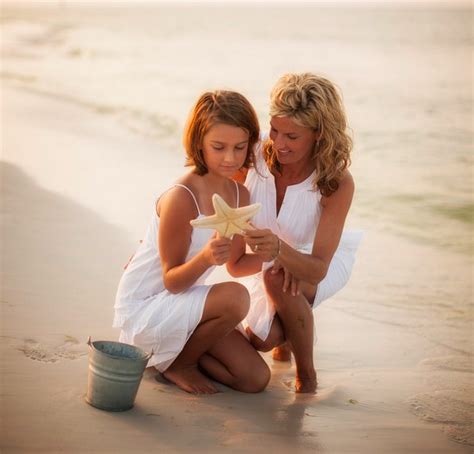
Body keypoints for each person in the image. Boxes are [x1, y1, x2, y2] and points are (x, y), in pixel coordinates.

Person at [113, 90, 270, 395]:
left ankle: (169, 356)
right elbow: (171, 281)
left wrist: (274, 253)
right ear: (198, 143)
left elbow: (236, 266)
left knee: (254, 379)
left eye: (240, 147)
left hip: (184, 303)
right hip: (146, 307)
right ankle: (178, 363)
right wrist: (207, 259)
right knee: (236, 298)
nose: (230, 158)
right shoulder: (181, 197)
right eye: (218, 147)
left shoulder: (240, 196)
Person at [239, 73, 362, 394]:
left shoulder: (336, 180)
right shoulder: (253, 154)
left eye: (292, 137)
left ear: (319, 133)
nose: (278, 143)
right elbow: (203, 186)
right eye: (275, 130)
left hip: (317, 259)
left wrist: (282, 252)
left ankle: (307, 377)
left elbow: (320, 267)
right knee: (260, 339)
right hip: (268, 257)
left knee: (277, 279)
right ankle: (287, 341)